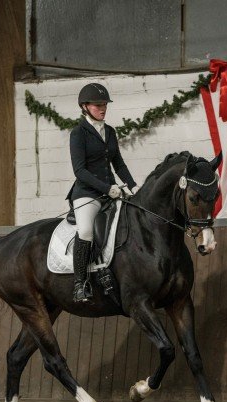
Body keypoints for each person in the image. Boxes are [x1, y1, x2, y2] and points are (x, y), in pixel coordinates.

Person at [69, 83, 139, 303]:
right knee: (87, 230)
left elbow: (118, 164)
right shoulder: (78, 133)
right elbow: (79, 171)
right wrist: (107, 188)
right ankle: (80, 283)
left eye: (104, 104)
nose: (103, 108)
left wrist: (133, 186)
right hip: (87, 194)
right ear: (85, 106)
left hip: (112, 192)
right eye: (98, 105)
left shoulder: (109, 131)